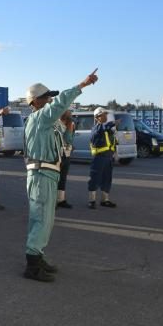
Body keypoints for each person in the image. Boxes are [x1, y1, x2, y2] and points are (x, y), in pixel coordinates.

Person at [23, 70, 98, 282]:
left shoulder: (48, 121)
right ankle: (32, 265)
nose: (50, 100)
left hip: (48, 173)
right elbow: (62, 102)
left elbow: (65, 139)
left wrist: (69, 125)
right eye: (46, 98)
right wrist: (83, 84)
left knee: (45, 219)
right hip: (41, 173)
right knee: (41, 219)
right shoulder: (39, 118)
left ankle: (37, 255)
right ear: (35, 102)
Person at [87, 107, 118, 209]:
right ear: (97, 118)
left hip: (108, 157)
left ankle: (105, 200)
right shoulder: (97, 128)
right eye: (103, 114)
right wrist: (112, 123)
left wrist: (114, 153)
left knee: (107, 179)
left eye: (105, 114)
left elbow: (112, 140)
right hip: (99, 158)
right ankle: (92, 200)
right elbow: (103, 129)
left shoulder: (106, 130)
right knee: (95, 178)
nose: (105, 116)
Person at [56, 110, 75, 209]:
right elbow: (68, 138)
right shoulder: (58, 124)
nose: (70, 113)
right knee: (55, 179)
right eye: (68, 112)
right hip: (58, 155)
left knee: (63, 179)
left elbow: (71, 140)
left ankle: (61, 199)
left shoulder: (70, 124)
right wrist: (69, 127)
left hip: (66, 154)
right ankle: (53, 201)